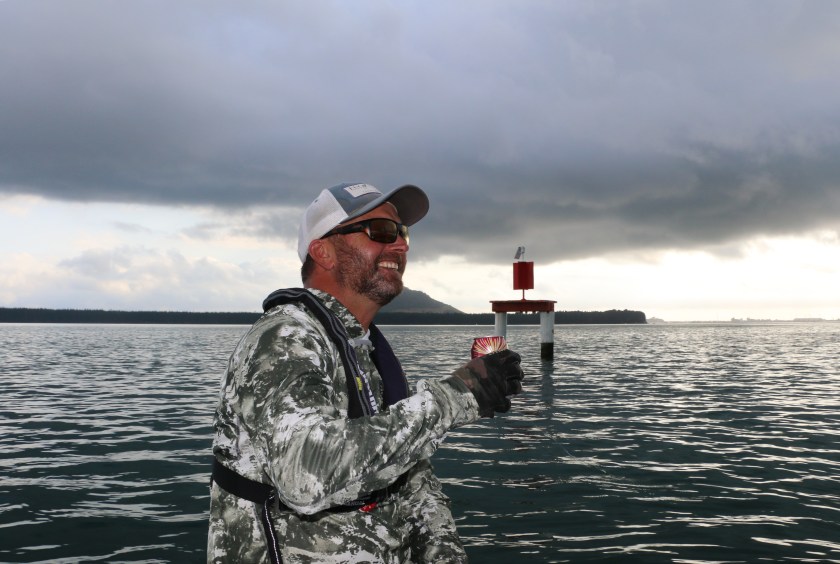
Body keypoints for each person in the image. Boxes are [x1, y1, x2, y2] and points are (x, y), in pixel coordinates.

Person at [208, 182, 525, 563]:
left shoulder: (362, 349)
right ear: (322, 251)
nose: (402, 245)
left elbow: (410, 477)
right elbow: (304, 475)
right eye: (380, 231)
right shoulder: (284, 339)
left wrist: (444, 551)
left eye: (402, 233)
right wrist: (457, 396)